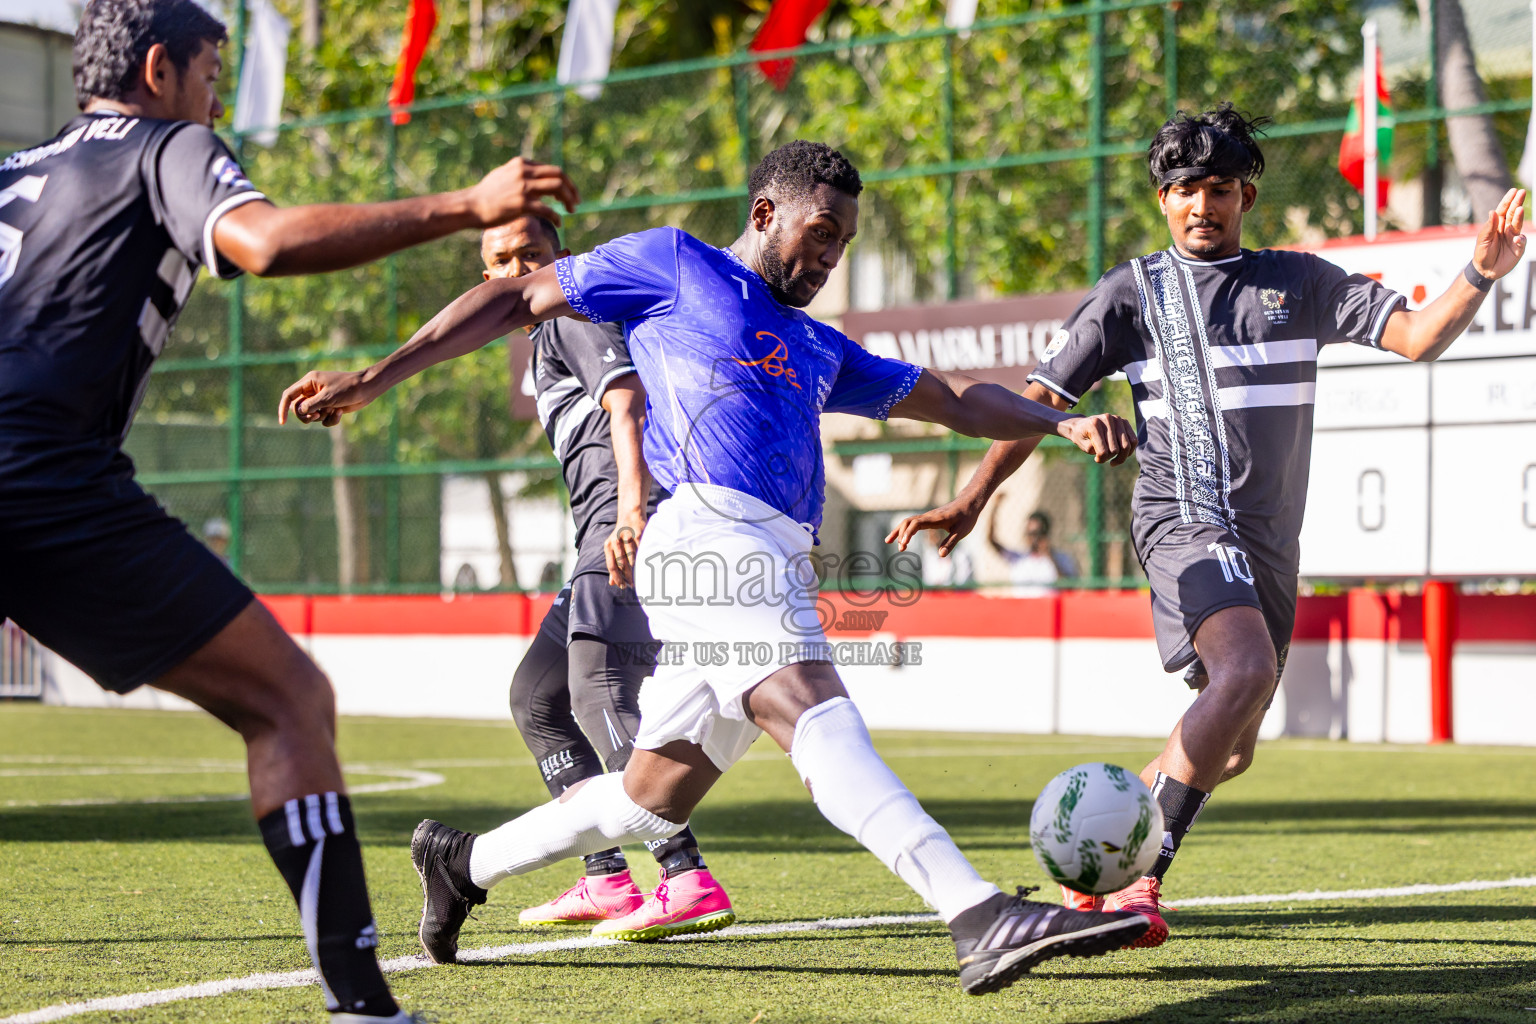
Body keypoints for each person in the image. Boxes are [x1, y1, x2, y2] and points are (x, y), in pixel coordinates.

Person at [280, 139, 1150, 995]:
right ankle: (977, 914)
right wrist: (376, 374)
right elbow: (516, 301)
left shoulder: (818, 346)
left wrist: (1057, 423)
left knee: (647, 797)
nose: (829, 257)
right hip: (701, 533)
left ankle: (464, 863)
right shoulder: (671, 263)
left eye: (842, 243)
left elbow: (959, 403)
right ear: (766, 214)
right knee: (811, 705)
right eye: (820, 234)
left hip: (774, 556)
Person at [0, 3, 576, 1021]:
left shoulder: (17, 172)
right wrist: (463, 204)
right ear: (158, 68)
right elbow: (261, 241)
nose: (217, 92)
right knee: (289, 701)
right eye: (212, 69)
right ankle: (362, 1005)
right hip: (43, 476)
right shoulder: (163, 145)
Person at [889, 104, 1527, 949]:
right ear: (1162, 200)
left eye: (1217, 187)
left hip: (1267, 544)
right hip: (1181, 521)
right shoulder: (1132, 294)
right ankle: (1139, 882)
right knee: (1246, 668)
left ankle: (1087, 853)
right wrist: (972, 500)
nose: (1200, 203)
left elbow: (1416, 337)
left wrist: (1480, 272)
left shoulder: (1299, 282)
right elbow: (1039, 403)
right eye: (1183, 188)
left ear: (1246, 195)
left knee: (1231, 750)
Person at [483, 217, 734, 940]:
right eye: (498, 260)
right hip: (609, 533)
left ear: (562, 261)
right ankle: (607, 878)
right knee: (538, 696)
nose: (513, 270)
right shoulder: (542, 341)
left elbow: (627, 400)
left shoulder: (567, 314)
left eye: (530, 255)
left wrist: (630, 514)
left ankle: (684, 873)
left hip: (628, 529)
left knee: (598, 693)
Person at [987, 510, 1076, 595]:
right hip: (1023, 608)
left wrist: (1050, 557)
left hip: (1048, 608)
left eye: (1035, 533)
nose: (1031, 538)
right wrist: (995, 507)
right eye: (1028, 533)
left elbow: (1069, 587)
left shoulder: (1061, 558)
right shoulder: (1019, 558)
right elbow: (992, 541)